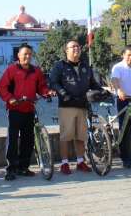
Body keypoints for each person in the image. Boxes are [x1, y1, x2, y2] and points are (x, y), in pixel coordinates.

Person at [0, 43, 53, 181]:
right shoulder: (11, 70)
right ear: (18, 55)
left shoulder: (36, 71)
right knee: (13, 140)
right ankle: (11, 169)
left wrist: (47, 92)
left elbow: (41, 87)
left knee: (28, 140)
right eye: (24, 54)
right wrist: (10, 99)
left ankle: (24, 167)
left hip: (29, 108)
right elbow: (2, 87)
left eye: (29, 54)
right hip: (15, 109)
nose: (27, 56)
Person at [49, 40, 102, 175]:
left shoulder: (85, 66)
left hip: (82, 105)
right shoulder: (59, 66)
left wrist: (102, 91)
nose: (76, 49)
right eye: (73, 47)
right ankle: (64, 163)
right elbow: (53, 82)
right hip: (67, 105)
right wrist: (63, 94)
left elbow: (93, 83)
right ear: (66, 50)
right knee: (66, 136)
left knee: (80, 136)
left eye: (78, 46)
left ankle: (80, 162)